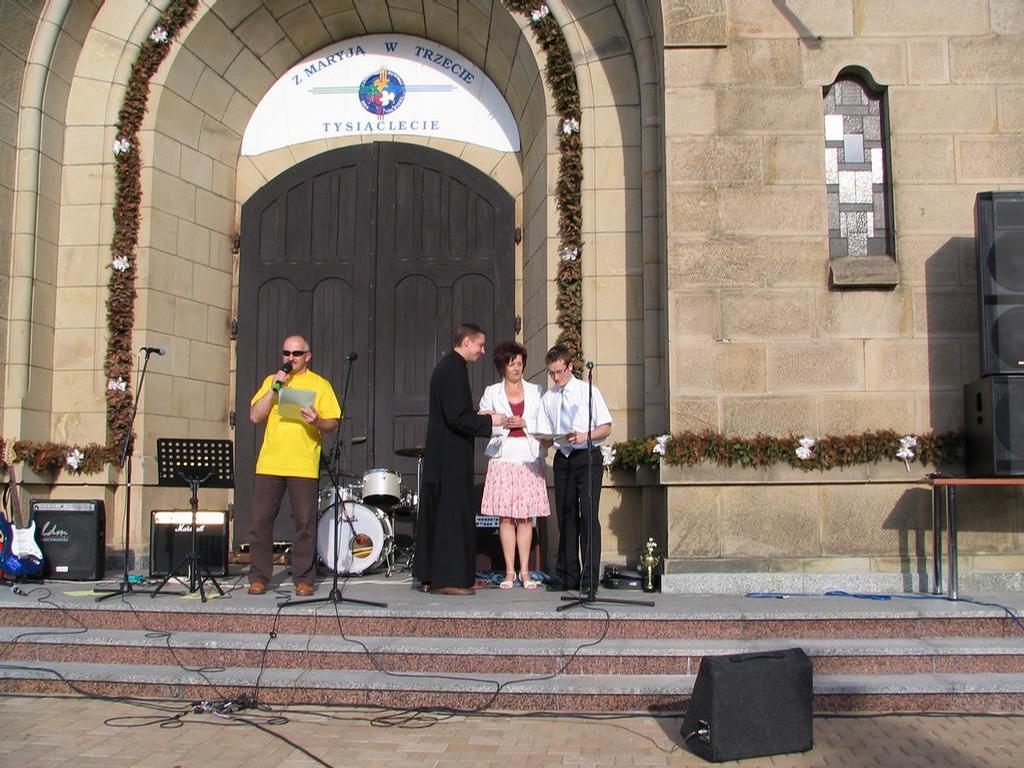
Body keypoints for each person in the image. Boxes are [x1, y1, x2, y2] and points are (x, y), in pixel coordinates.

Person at [413, 324, 507, 595]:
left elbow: (455, 412)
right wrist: (490, 422)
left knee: (440, 513)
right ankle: (449, 579)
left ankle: (430, 575)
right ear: (466, 341)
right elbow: (456, 417)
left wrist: (478, 416)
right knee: (452, 516)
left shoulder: (449, 367)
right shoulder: (452, 370)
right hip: (450, 458)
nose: (483, 351)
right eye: (480, 344)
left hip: (444, 454)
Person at [247, 335, 340, 596]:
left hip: (302, 464)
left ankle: (303, 578)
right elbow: (255, 415)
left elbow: (333, 423)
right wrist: (274, 389)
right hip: (270, 463)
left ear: (307, 356)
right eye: (286, 353)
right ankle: (259, 577)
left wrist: (317, 421)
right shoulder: (272, 380)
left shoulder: (320, 384)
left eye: (296, 354)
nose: (290, 358)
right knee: (260, 522)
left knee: (305, 524)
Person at [539, 345, 613, 593]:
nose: (556, 377)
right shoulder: (549, 398)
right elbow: (546, 435)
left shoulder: (587, 391)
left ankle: (589, 579)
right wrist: (544, 438)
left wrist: (584, 435)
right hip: (564, 457)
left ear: (570, 367)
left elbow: (605, 427)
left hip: (587, 456)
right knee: (566, 515)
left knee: (588, 515)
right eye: (551, 373)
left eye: (559, 371)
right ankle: (568, 574)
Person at [478, 341, 550, 590]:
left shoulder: (536, 390)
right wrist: (501, 421)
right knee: (507, 517)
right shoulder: (492, 392)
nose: (517, 368)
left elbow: (545, 420)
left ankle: (526, 572)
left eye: (519, 363)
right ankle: (509, 572)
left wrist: (524, 422)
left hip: (528, 457)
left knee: (526, 517)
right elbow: (482, 418)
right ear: (502, 367)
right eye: (512, 364)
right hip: (503, 457)